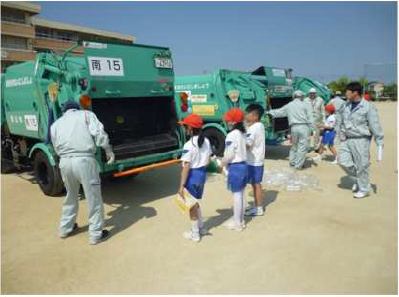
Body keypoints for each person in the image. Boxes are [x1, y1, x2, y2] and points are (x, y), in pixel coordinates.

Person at [50, 100, 115, 245]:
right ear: (77, 108)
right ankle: (96, 235)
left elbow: (55, 146)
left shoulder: (56, 124)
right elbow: (98, 133)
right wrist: (108, 150)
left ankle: (65, 228)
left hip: (65, 162)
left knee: (71, 195)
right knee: (93, 198)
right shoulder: (86, 115)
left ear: (64, 111)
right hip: (84, 161)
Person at [337, 82, 384, 199]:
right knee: (342, 161)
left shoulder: (368, 107)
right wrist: (340, 133)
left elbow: (375, 125)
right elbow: (341, 120)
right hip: (347, 139)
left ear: (355, 93)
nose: (345, 94)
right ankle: (359, 180)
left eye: (347, 91)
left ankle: (364, 189)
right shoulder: (346, 105)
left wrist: (379, 141)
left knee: (362, 165)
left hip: (361, 140)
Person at [177, 114, 212, 242]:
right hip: (201, 174)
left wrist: (181, 186)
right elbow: (208, 161)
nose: (184, 128)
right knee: (195, 202)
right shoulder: (206, 141)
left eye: (185, 126)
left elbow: (186, 167)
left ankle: (195, 233)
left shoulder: (188, 145)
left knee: (191, 206)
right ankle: (201, 228)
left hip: (192, 175)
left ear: (190, 128)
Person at [267, 90, 313, 170]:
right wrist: (312, 129)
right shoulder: (306, 105)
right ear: (301, 96)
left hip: (293, 128)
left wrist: (268, 112)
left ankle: (292, 162)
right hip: (304, 127)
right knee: (302, 147)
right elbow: (310, 117)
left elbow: (279, 112)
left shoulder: (289, 105)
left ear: (294, 96)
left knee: (294, 146)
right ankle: (298, 165)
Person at [219, 108, 248, 231]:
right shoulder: (242, 133)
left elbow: (229, 155)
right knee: (241, 194)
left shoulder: (231, 135)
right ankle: (240, 221)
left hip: (236, 167)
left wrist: (222, 163)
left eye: (228, 120)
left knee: (236, 195)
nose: (226, 121)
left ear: (233, 122)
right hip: (244, 165)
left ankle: (237, 223)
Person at [244, 104, 265, 217]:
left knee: (256, 184)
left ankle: (258, 208)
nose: (246, 115)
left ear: (255, 115)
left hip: (253, 161)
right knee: (255, 184)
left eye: (248, 113)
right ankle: (257, 206)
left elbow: (248, 144)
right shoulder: (259, 125)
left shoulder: (253, 128)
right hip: (257, 159)